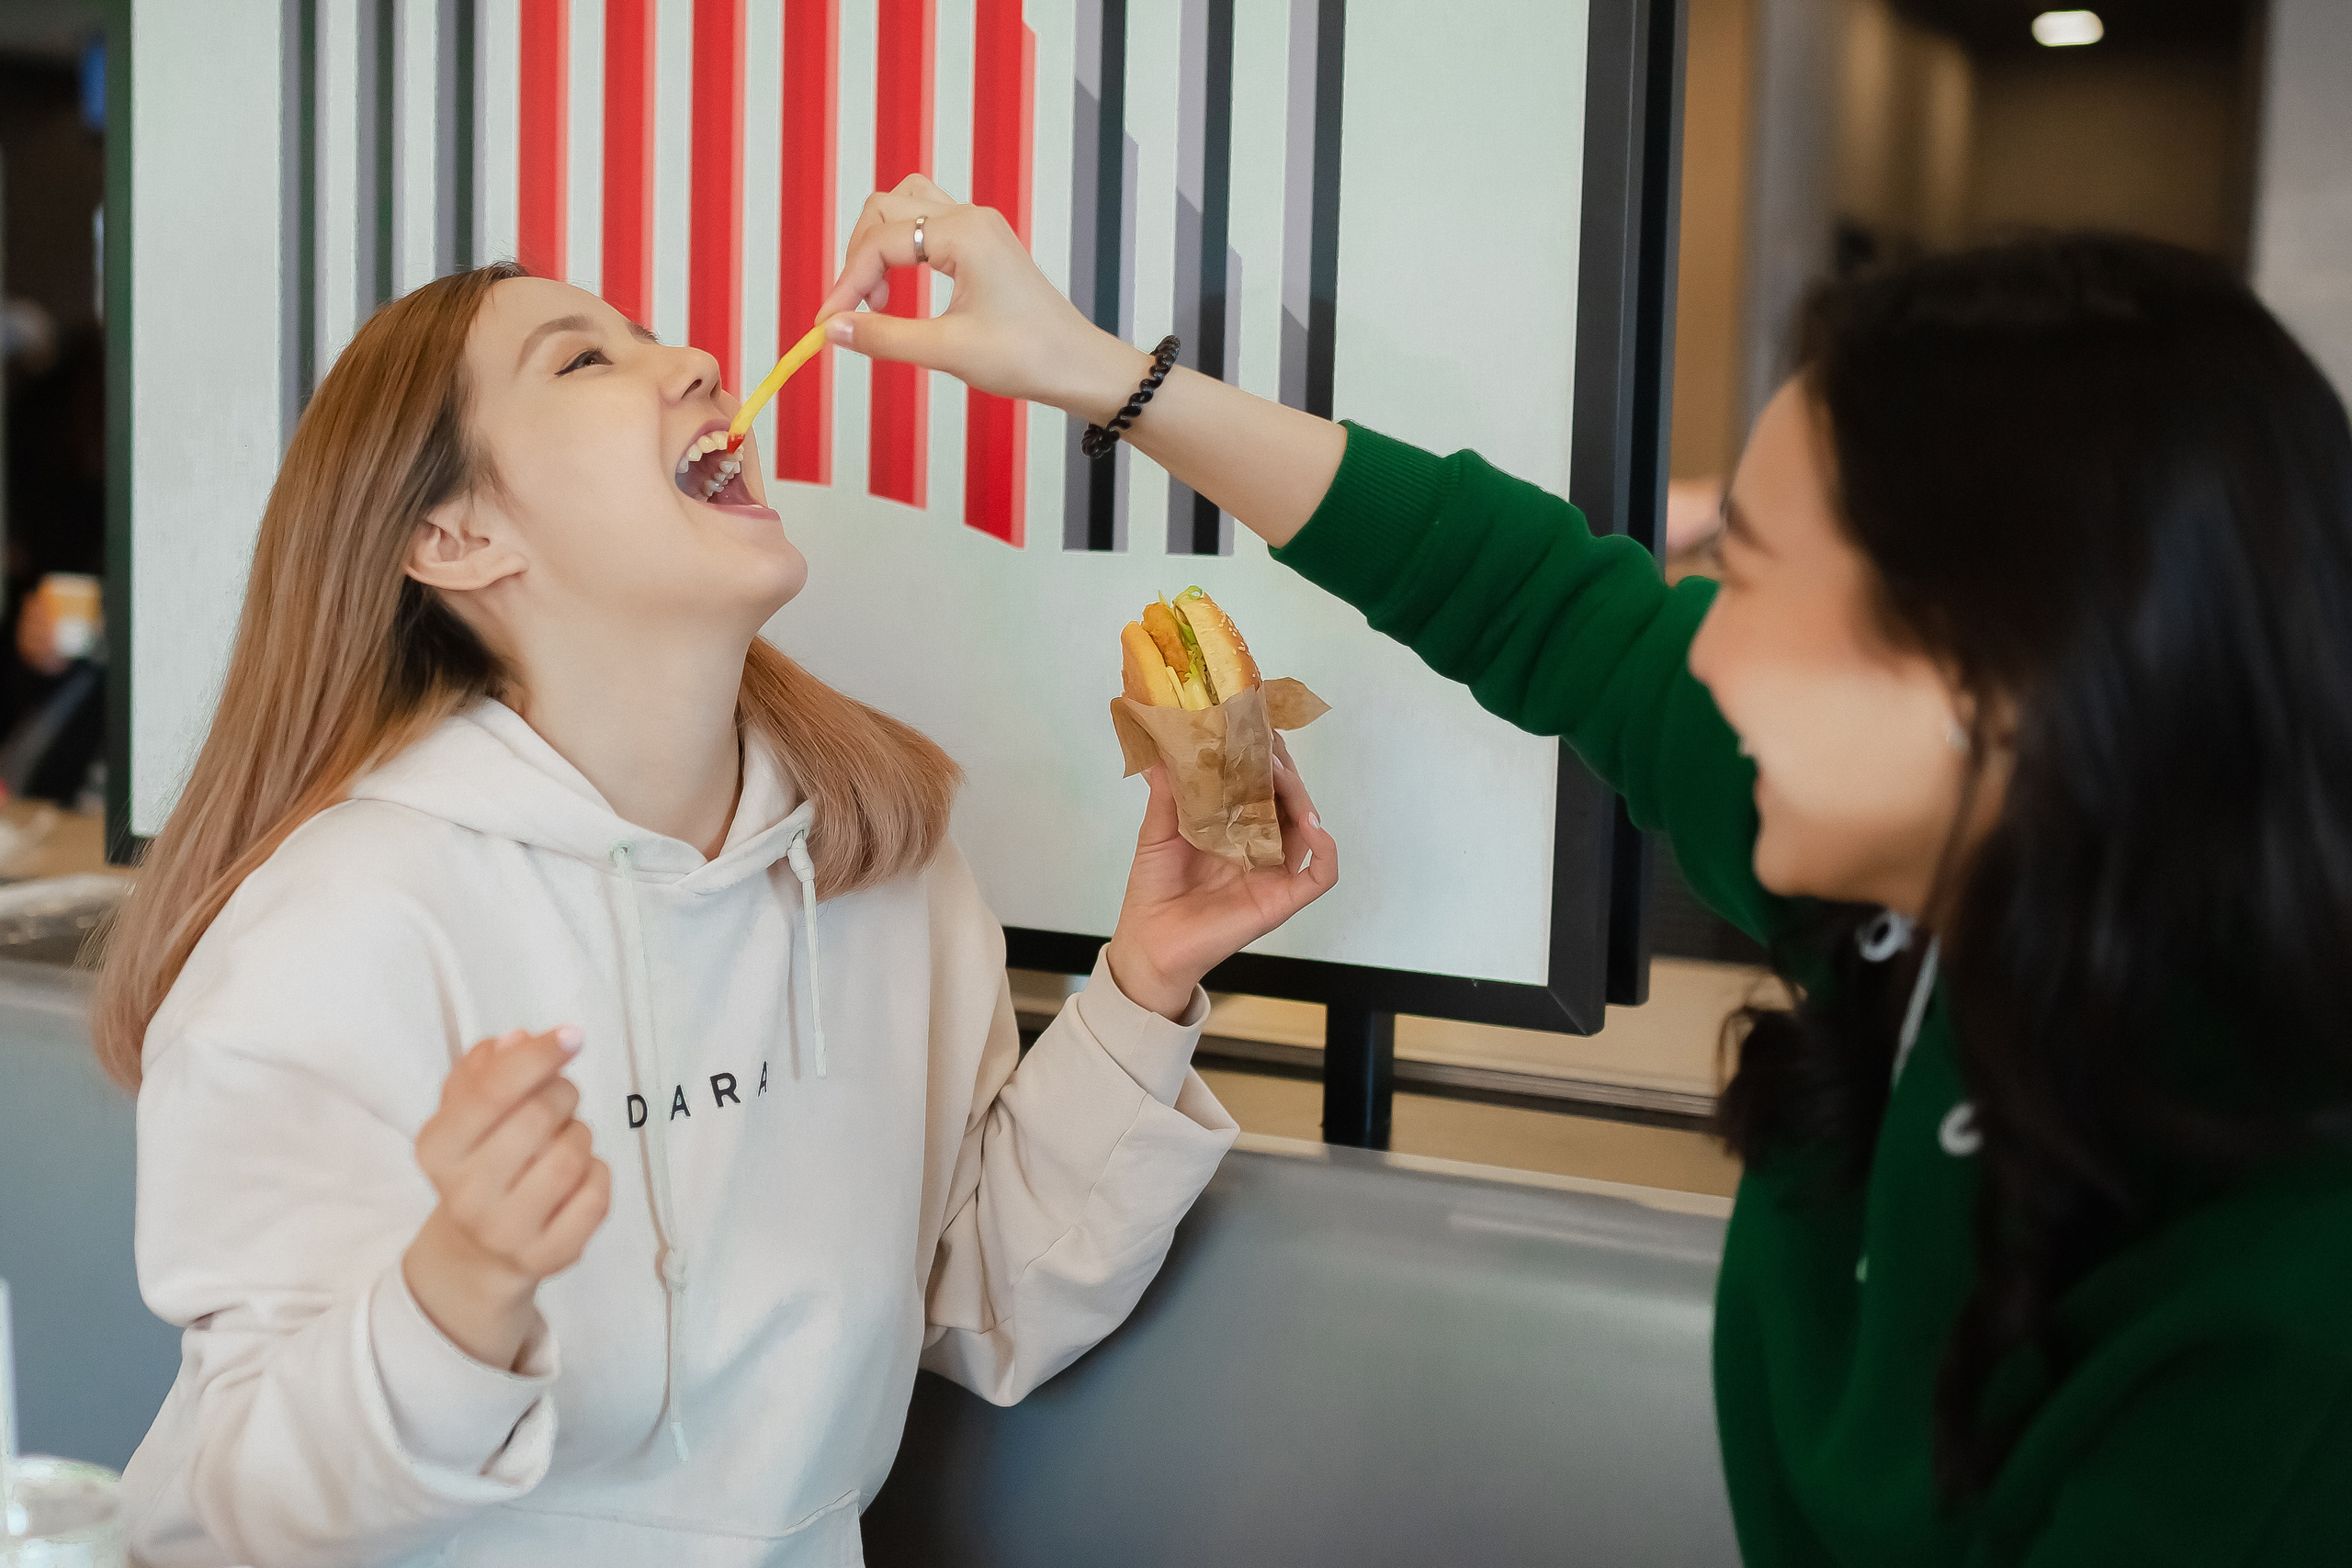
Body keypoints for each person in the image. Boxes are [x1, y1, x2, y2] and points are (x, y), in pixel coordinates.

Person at [825, 178, 2352, 1563]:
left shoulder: (2274, 1299)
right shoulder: (1907, 914)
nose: (1704, 648)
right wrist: (1102, 375)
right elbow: (1537, 599)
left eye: (1744, 579)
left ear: (1991, 683)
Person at [99, 262, 1337, 1566]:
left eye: (646, 337)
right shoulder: (333, 929)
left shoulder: (883, 866)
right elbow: (224, 1520)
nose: (691, 359)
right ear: (456, 539)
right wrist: (453, 1296)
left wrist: (1142, 991)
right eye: (584, 361)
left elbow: (975, 1299)